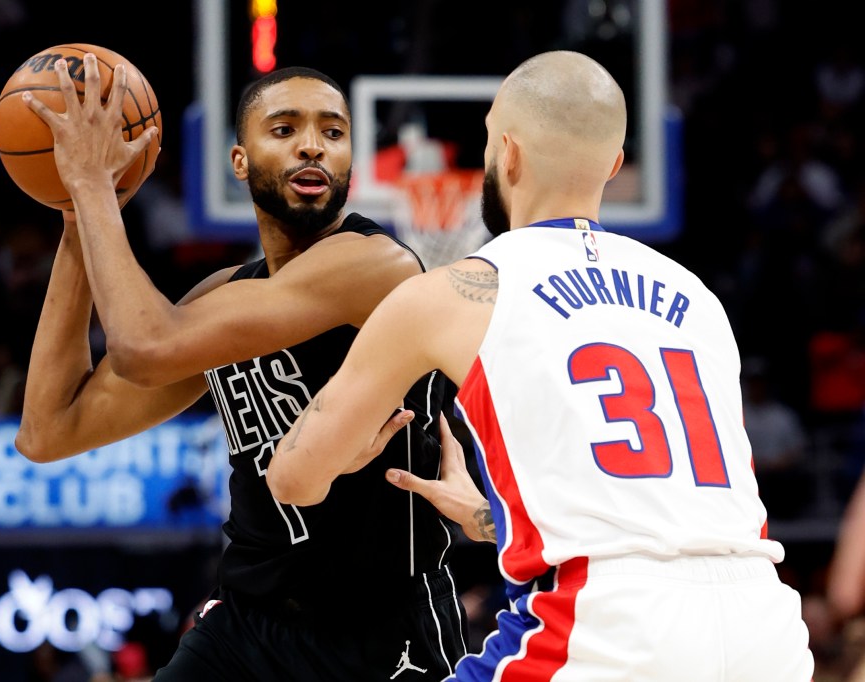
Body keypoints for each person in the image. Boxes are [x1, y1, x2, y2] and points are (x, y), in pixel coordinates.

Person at [267, 50, 815, 680]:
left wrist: (353, 450)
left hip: (604, 628)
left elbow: (293, 481)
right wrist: (485, 514)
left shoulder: (451, 291)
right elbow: (660, 523)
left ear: (508, 154)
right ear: (614, 165)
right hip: (765, 626)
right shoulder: (698, 300)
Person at [16, 58, 467, 681]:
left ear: (350, 168)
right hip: (246, 626)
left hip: (376, 634)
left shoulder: (375, 267)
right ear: (239, 161)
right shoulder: (226, 295)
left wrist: (94, 187)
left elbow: (145, 347)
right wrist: (75, 215)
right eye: (284, 129)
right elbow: (49, 431)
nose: (312, 144)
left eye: (332, 133)